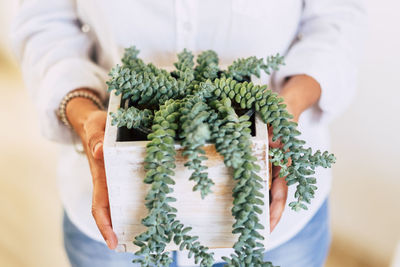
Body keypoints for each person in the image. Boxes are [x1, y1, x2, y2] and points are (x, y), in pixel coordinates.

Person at [11, 0, 366, 266]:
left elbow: (338, 19)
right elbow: (44, 23)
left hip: (274, 227)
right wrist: (83, 110)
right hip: (117, 221)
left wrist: (288, 105)